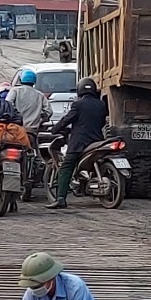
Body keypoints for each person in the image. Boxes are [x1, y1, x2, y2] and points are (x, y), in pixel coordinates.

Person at [46, 77, 108, 210]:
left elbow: (67, 119)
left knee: (66, 167)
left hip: (79, 143)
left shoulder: (78, 105)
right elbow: (102, 122)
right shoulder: (101, 105)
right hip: (97, 141)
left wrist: (55, 129)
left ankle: (61, 198)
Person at [7, 69, 52, 147]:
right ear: (34, 81)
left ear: (21, 80)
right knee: (33, 153)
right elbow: (49, 112)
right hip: (31, 130)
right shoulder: (39, 95)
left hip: (14, 129)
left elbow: (7, 105)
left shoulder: (14, 91)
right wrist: (39, 119)